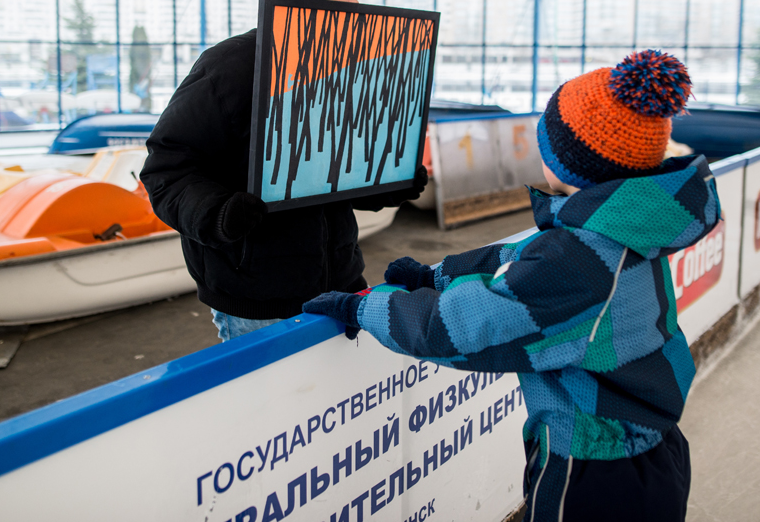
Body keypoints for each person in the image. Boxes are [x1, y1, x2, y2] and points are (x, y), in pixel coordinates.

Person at [304, 50, 719, 522]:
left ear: (565, 160)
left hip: (596, 473)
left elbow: (454, 330)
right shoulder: (626, 228)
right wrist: (436, 275)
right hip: (653, 451)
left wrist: (367, 306)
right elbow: (521, 262)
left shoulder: (580, 260)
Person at [141, 0, 427, 341]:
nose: (353, 1)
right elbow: (167, 167)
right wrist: (217, 213)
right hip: (258, 298)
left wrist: (389, 179)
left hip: (343, 283)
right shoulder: (232, 65)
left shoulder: (346, 67)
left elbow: (334, 172)